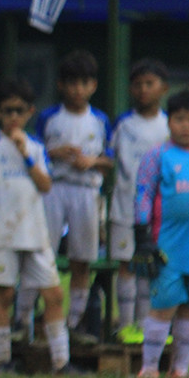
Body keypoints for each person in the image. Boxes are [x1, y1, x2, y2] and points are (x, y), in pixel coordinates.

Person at [0, 79, 73, 375]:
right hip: (2, 232)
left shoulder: (36, 146)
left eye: (19, 111)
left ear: (30, 112)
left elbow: (45, 184)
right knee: (3, 295)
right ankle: (3, 361)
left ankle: (61, 362)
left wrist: (26, 153)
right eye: (7, 111)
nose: (13, 117)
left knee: (54, 294)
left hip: (34, 231)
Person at [24, 50, 112, 342]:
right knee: (42, 252)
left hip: (86, 190)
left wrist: (92, 162)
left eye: (84, 83)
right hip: (54, 188)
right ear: (61, 85)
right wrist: (54, 154)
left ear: (93, 86)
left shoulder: (99, 119)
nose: (78, 90)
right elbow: (31, 153)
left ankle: (73, 322)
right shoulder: (49, 117)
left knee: (81, 257)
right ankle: (33, 317)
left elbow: (110, 158)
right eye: (72, 83)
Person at [133, 90, 189, 378]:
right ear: (169, 122)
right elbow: (143, 193)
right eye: (179, 119)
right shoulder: (158, 156)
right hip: (167, 247)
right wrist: (142, 234)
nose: (186, 126)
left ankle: (180, 369)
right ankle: (150, 367)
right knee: (163, 306)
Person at [109, 59, 169, 342]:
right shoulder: (123, 123)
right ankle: (125, 325)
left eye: (150, 84)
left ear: (163, 88)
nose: (143, 90)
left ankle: (146, 326)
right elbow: (108, 158)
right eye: (138, 84)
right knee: (126, 264)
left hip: (157, 210)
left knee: (149, 265)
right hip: (124, 206)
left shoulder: (169, 125)